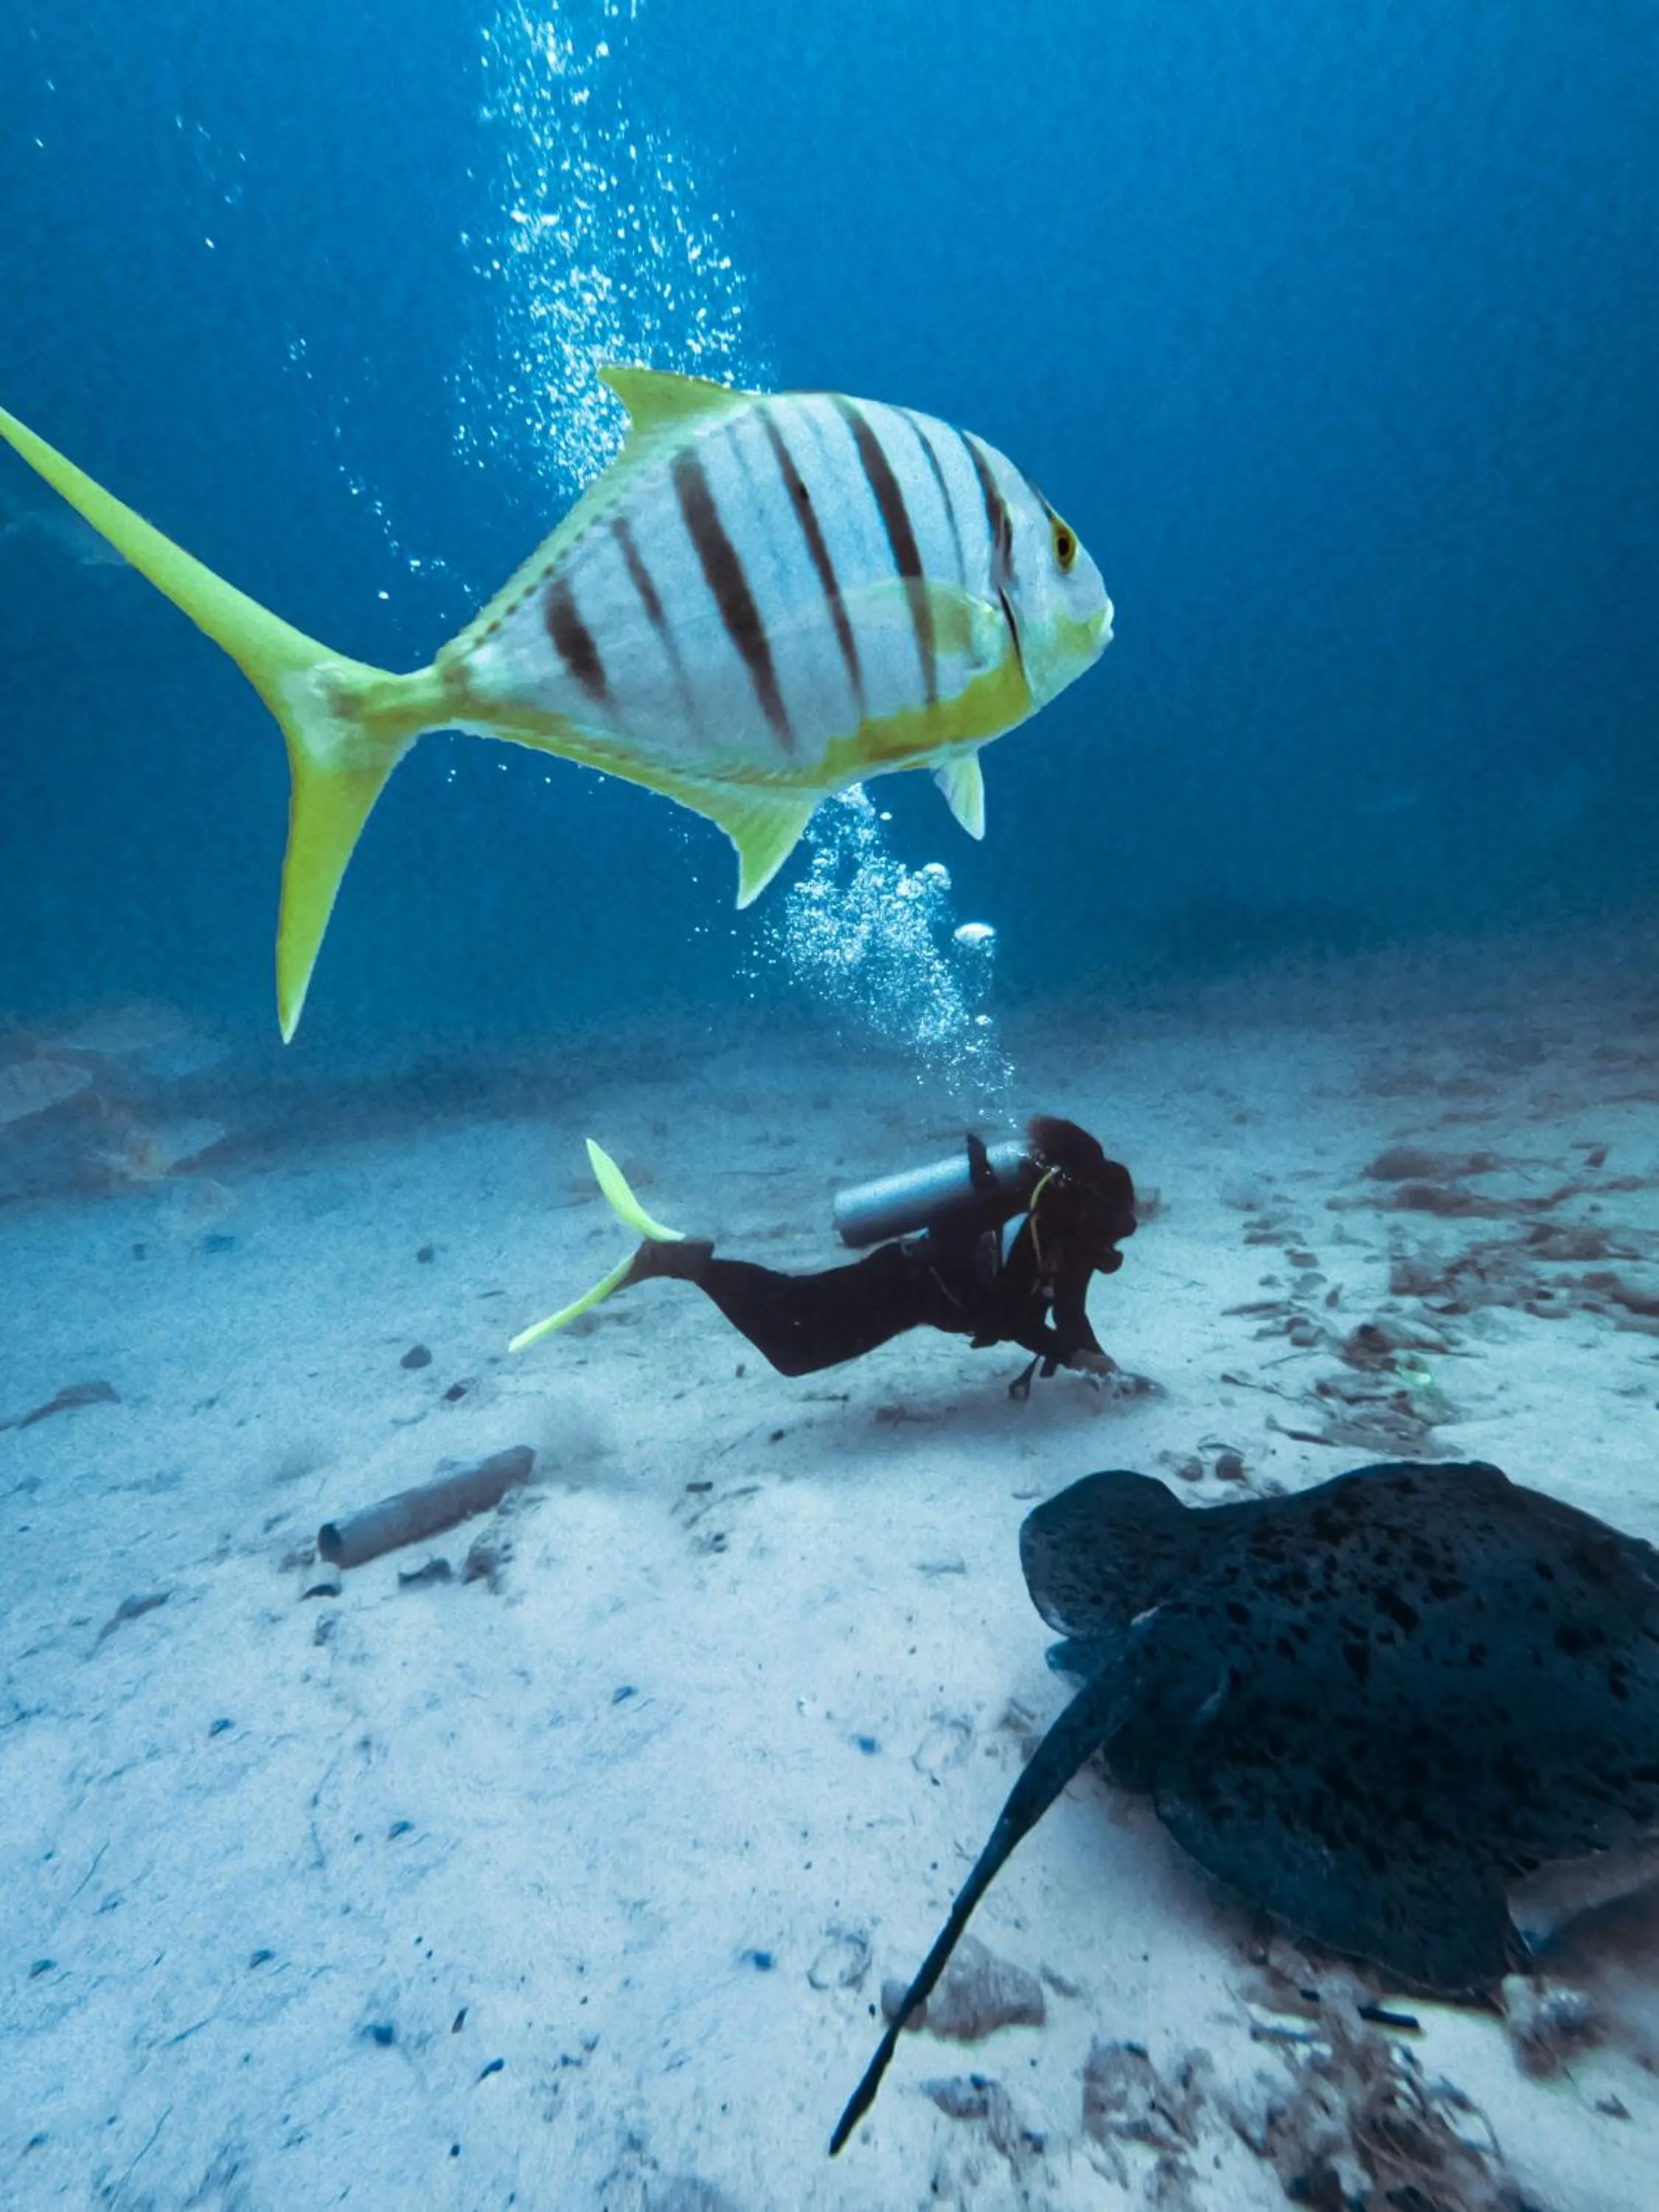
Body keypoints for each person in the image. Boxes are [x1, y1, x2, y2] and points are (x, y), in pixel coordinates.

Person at [514, 1117, 1138, 1397]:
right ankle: (687, 1262)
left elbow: (1069, 1312)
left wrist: (1093, 1356)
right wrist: (1070, 1353)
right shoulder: (1032, 1230)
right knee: (794, 1338)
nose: (1108, 1245)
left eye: (1117, 1233)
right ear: (1082, 1208)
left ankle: (690, 1264)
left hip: (922, 1296)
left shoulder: (1071, 1240)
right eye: (1107, 1229)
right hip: (906, 1282)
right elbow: (1017, 1318)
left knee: (796, 1326)